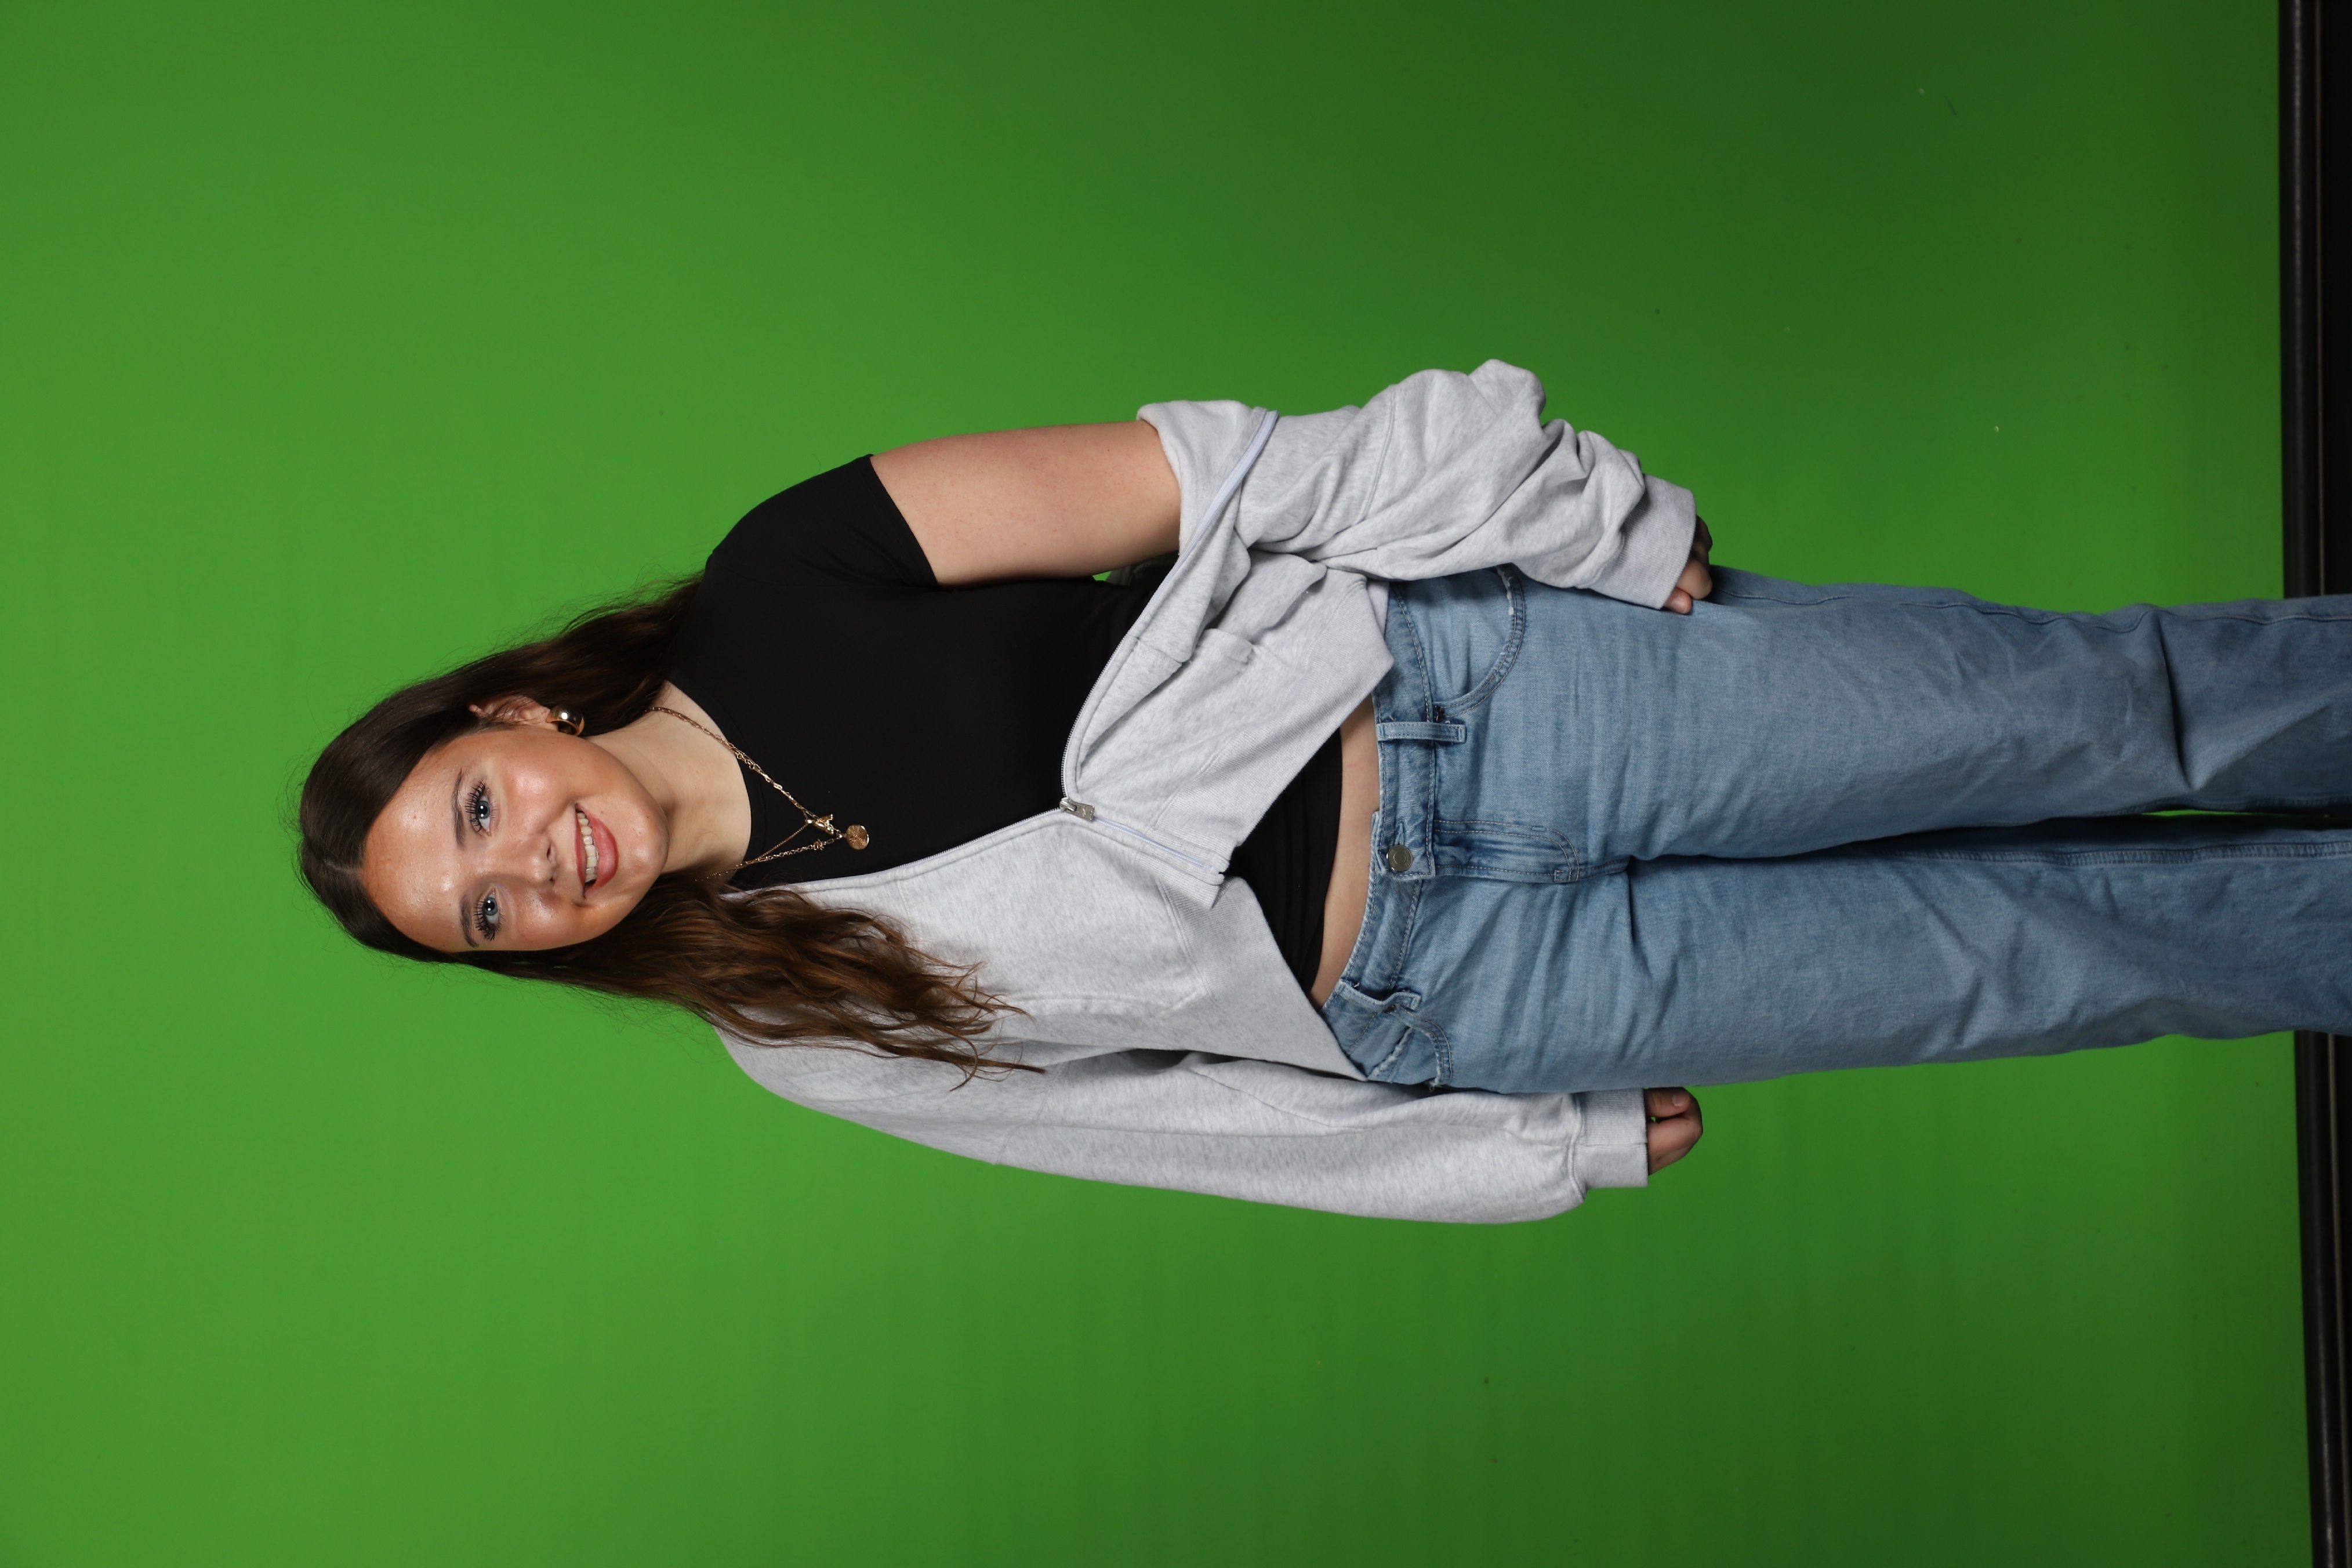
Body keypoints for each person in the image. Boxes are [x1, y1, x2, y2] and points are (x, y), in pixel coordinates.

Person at [299, 362, 2352, 1224]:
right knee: (2042, 960)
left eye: (475, 812)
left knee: (2094, 712)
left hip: (1494, 703)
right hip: (1466, 995)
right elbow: (1176, 1129)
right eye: (486, 918)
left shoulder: (789, 571)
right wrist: (1526, 1145)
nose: (528, 868)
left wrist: (1561, 515)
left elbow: (1222, 472)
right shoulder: (791, 1024)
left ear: (516, 716)